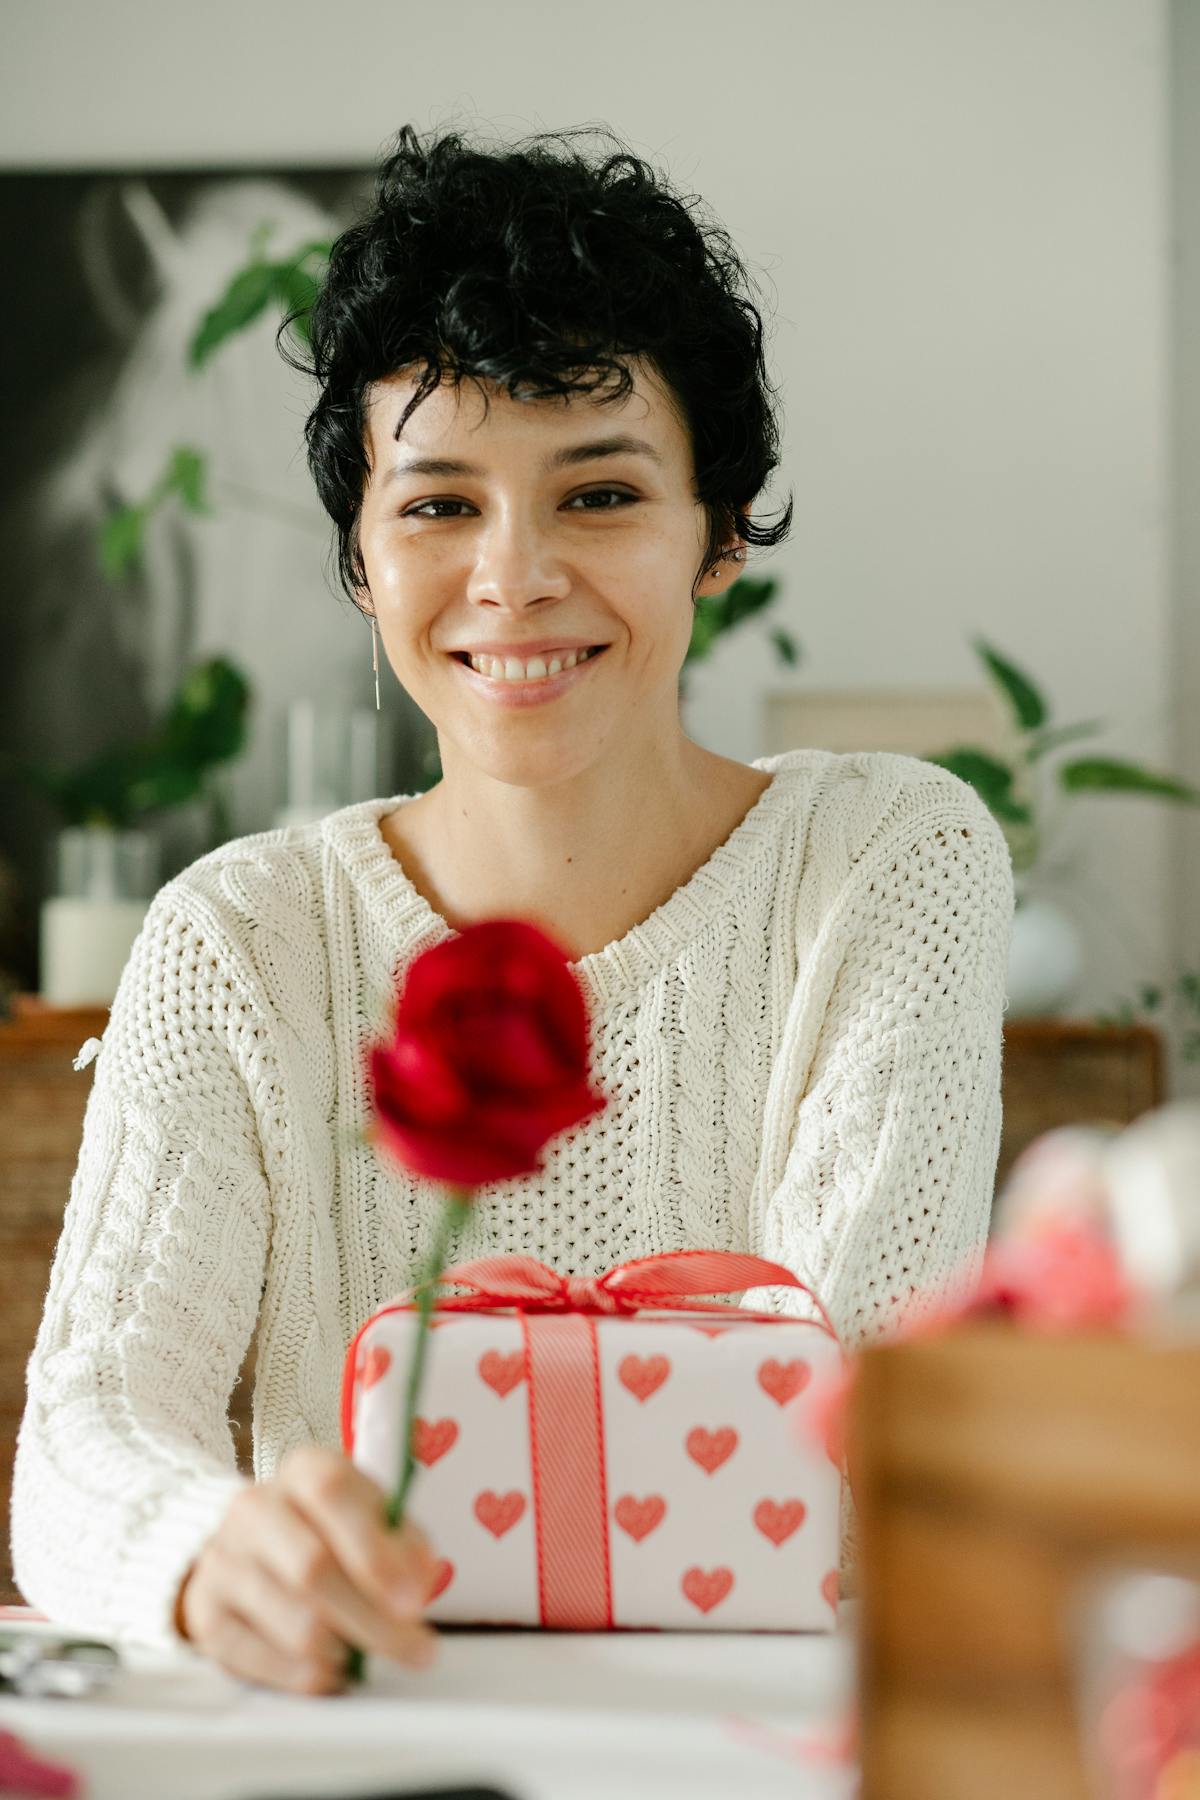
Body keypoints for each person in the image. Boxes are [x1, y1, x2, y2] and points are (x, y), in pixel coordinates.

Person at [11, 121, 1014, 1697]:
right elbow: (87, 1430)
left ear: (721, 537)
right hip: (351, 1742)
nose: (513, 576)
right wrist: (207, 1552)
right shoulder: (233, 937)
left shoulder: (885, 861)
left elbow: (863, 1413)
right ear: (357, 559)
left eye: (600, 494)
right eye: (436, 506)